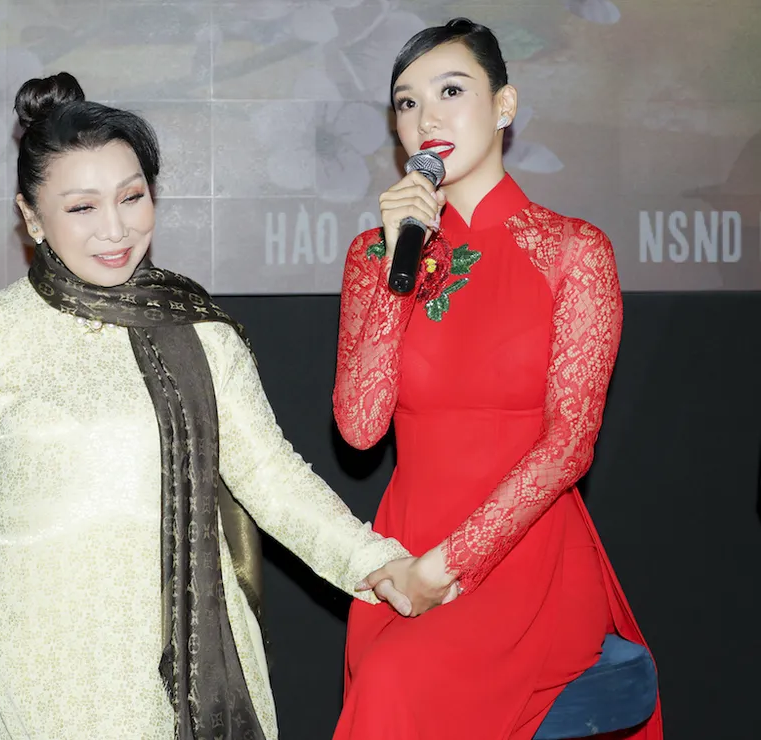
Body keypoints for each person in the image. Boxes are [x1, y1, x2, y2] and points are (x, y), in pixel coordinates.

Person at [0, 71, 413, 740]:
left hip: (183, 657)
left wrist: (373, 561)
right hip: (36, 656)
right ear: (31, 217)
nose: (115, 229)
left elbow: (270, 477)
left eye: (131, 197)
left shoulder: (199, 330)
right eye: (82, 208)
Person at [330, 18, 663, 739]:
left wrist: (449, 566)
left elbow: (569, 444)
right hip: (404, 544)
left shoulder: (575, 251)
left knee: (393, 686)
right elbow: (359, 428)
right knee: (386, 679)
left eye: (451, 91)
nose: (427, 118)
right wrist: (393, 266)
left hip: (526, 556)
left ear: (504, 106)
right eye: (408, 102)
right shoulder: (372, 256)